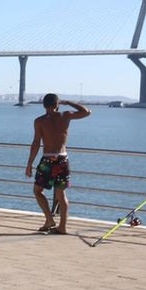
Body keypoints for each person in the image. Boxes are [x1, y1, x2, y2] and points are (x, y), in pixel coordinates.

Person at [25, 93, 90, 234]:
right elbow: (86, 112)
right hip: (62, 159)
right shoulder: (65, 116)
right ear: (57, 104)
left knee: (37, 190)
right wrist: (68, 102)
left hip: (48, 159)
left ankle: (49, 219)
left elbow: (36, 143)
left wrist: (29, 163)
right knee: (61, 194)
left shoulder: (39, 121)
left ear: (43, 105)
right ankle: (62, 226)